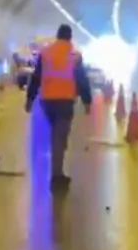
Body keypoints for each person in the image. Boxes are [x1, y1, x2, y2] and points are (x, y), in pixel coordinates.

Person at [25, 24, 93, 190]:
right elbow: (82, 80)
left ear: (57, 36)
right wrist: (87, 101)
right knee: (59, 137)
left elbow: (36, 77)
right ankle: (56, 176)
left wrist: (29, 98)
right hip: (65, 101)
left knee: (55, 135)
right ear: (70, 37)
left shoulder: (46, 53)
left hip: (47, 101)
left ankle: (55, 169)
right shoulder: (74, 55)